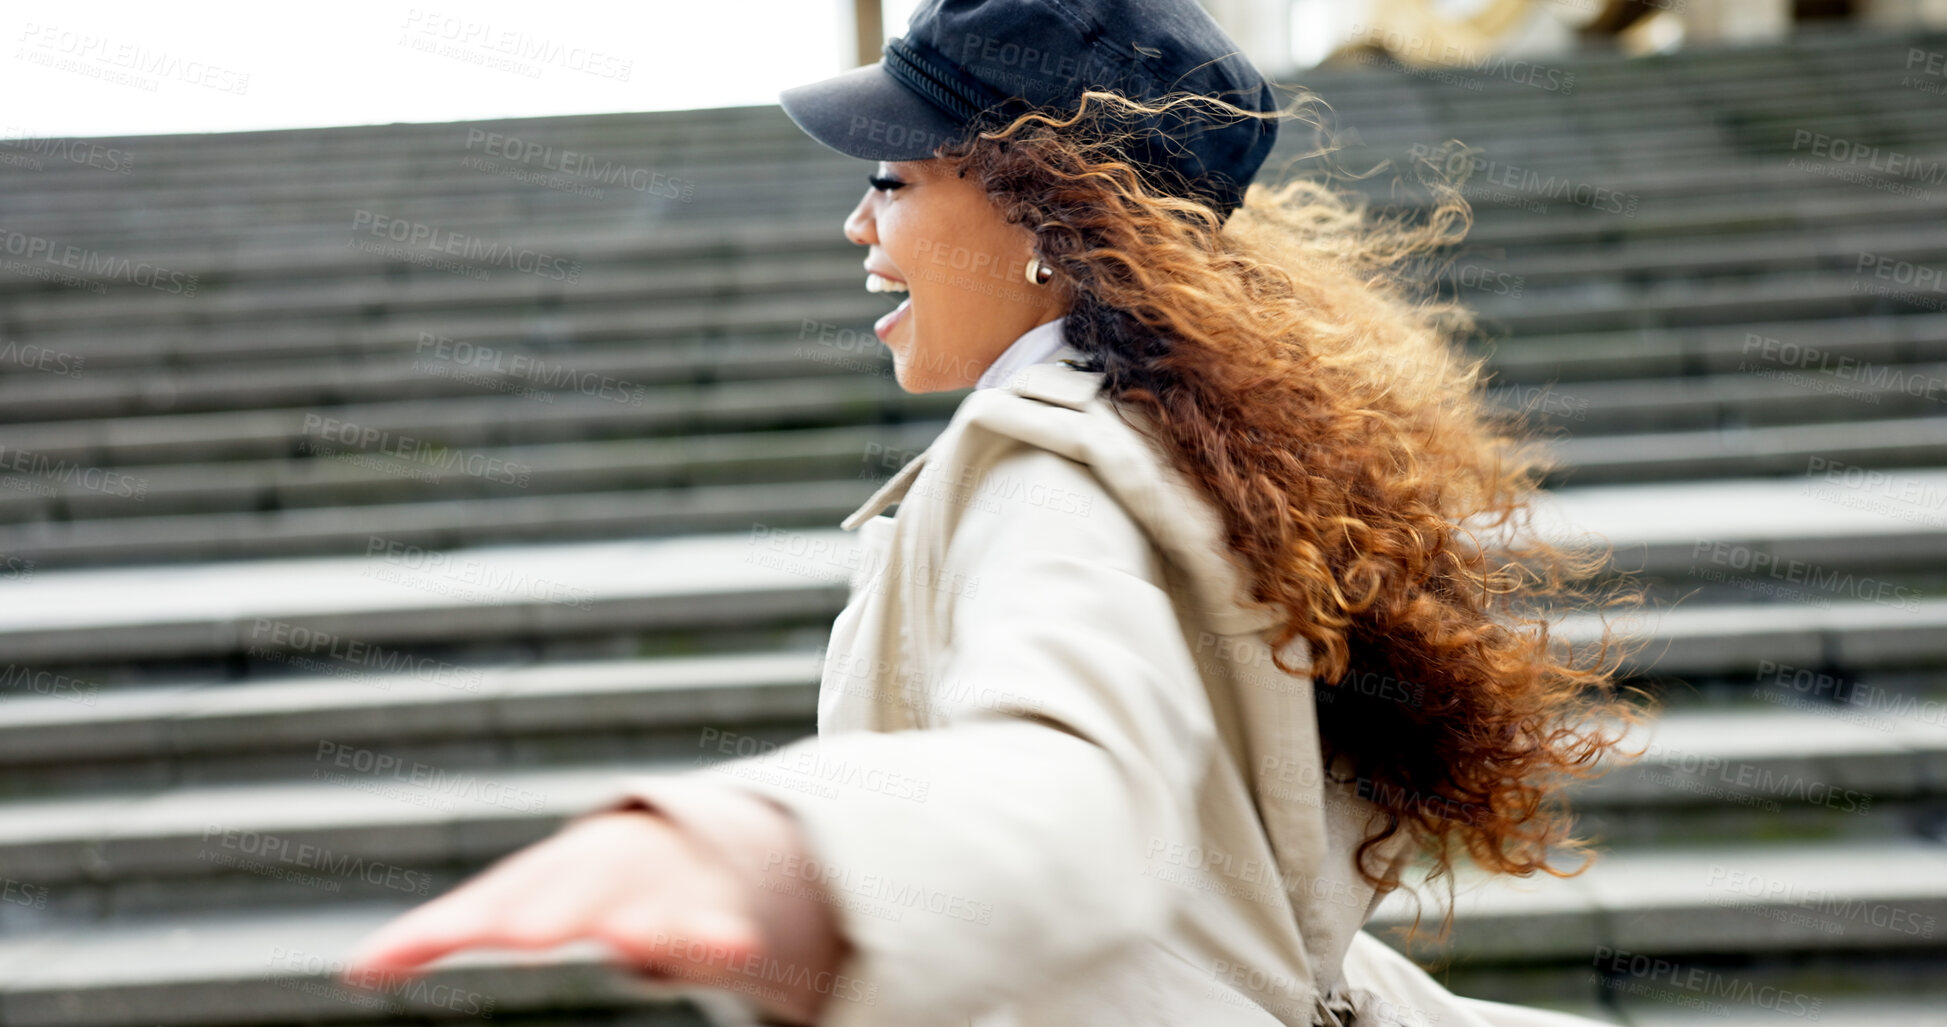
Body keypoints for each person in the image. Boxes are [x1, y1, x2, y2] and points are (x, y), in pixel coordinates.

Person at [340, 2, 1653, 1025]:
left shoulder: (1050, 470)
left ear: (1045, 216)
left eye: (896, 181)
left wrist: (784, 860)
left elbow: (1072, 784)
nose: (856, 222)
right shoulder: (1180, 435)